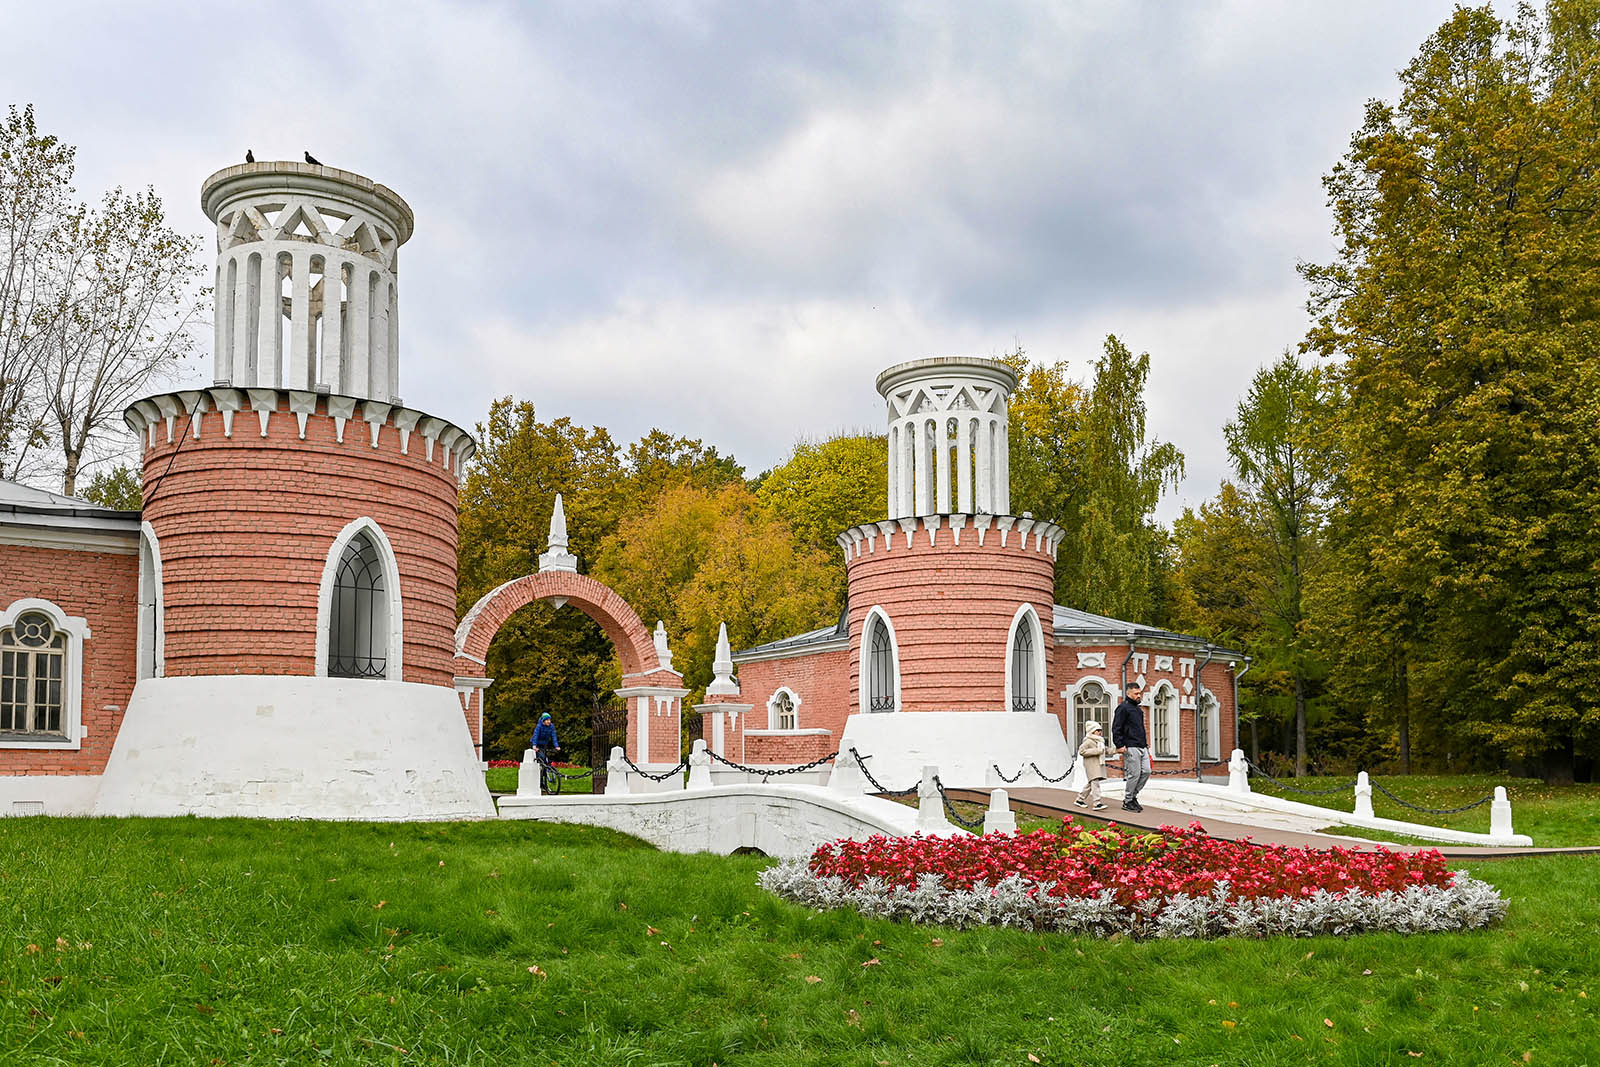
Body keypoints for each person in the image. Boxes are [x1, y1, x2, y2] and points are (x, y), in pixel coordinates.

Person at [1111, 682, 1150, 813]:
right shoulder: (1123, 708)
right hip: (1130, 746)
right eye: (1136, 693)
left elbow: (1140, 729)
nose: (1139, 696)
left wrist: (1146, 745)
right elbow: (1116, 727)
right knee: (1134, 774)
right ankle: (1128, 801)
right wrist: (1119, 745)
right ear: (1128, 694)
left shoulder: (1138, 710)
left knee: (1146, 772)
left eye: (1140, 693)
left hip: (1142, 746)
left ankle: (1133, 796)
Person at [1074, 721, 1109, 810]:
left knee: (1091, 783)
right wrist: (1097, 751)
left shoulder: (1100, 741)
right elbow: (1082, 751)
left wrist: (1117, 750)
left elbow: (1105, 750)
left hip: (1097, 765)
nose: (1100, 732)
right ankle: (1097, 803)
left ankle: (1079, 799)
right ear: (1092, 731)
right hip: (1090, 765)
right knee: (1095, 783)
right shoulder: (1088, 741)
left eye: (1100, 730)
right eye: (1097, 730)